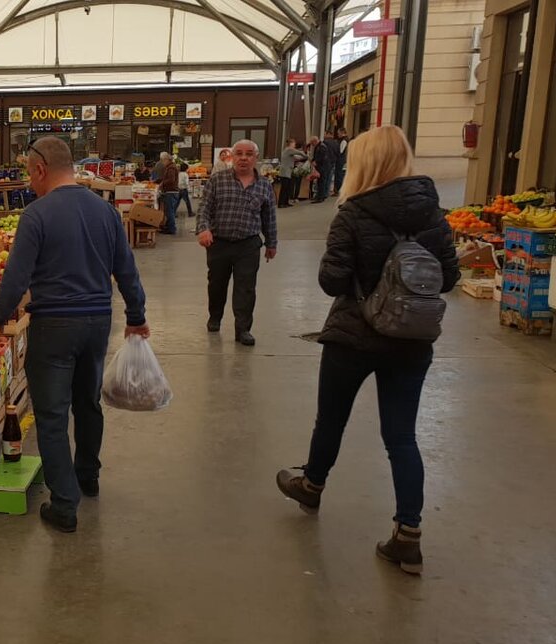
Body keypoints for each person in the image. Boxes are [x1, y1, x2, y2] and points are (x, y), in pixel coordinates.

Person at [275, 126, 460, 575]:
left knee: (332, 419)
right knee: (401, 437)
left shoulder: (353, 213)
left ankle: (312, 485)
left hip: (354, 336)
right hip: (411, 340)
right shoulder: (435, 216)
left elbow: (332, 282)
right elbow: (450, 278)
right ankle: (408, 535)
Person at [0, 136, 149, 534]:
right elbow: (126, 268)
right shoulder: (106, 212)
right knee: (87, 402)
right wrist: (136, 314)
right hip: (97, 321)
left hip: (55, 326)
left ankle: (64, 504)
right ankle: (88, 476)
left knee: (52, 415)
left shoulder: (37, 214)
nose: (30, 182)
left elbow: (16, 277)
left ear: (41, 169)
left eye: (29, 173)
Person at [196, 139, 278, 347]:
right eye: (239, 153)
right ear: (232, 156)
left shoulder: (265, 185)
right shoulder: (217, 180)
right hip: (219, 243)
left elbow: (269, 217)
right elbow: (204, 208)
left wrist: (271, 243)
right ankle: (215, 317)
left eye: (248, 154)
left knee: (246, 288)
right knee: (217, 285)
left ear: (255, 158)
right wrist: (203, 229)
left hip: (248, 244)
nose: (243, 158)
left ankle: (243, 330)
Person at [155, 152, 180, 235]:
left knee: (170, 212)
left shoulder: (171, 168)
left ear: (166, 159)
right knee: (169, 211)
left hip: (171, 192)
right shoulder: (170, 167)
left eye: (162, 160)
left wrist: (162, 184)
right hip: (170, 192)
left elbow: (171, 180)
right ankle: (168, 227)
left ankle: (172, 229)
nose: (162, 163)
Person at [277, 138, 306, 208]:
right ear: (290, 143)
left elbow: (296, 158)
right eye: (294, 143)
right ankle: (281, 203)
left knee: (288, 188)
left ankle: (286, 202)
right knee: (284, 188)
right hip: (285, 172)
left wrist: (303, 158)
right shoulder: (289, 150)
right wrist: (306, 155)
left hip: (288, 172)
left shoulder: (289, 152)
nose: (295, 145)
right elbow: (298, 153)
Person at [313, 131, 338, 203]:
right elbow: (338, 152)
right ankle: (325, 193)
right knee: (328, 179)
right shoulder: (336, 142)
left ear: (328, 134)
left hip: (324, 164)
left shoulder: (324, 143)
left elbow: (323, 155)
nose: (324, 135)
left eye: (324, 134)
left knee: (322, 180)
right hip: (331, 163)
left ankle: (321, 195)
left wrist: (316, 161)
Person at [334, 127, 349, 195]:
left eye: (338, 133)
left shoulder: (343, 141)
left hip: (341, 160)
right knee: (341, 174)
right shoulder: (346, 139)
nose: (338, 135)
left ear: (342, 133)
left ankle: (339, 189)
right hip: (344, 160)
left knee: (339, 175)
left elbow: (341, 150)